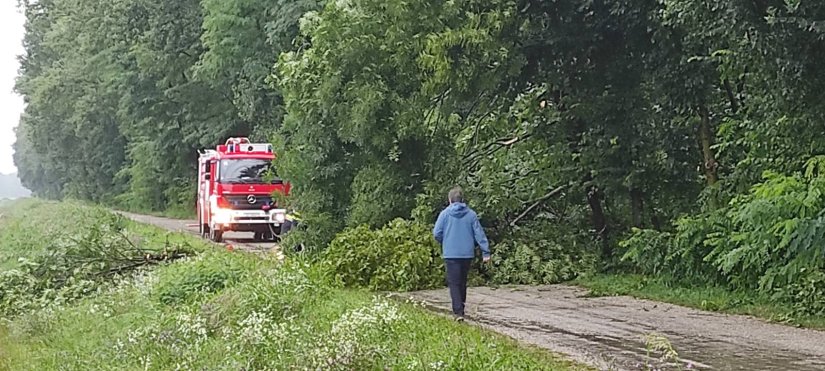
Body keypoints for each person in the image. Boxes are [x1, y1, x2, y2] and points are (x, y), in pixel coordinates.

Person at [433, 186, 491, 321]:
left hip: (451, 253)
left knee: (454, 282)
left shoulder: (445, 214)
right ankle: (461, 307)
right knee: (462, 282)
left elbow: (436, 233)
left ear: (449, 200)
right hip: (466, 254)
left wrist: (444, 240)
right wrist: (486, 252)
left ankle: (458, 312)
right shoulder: (471, 214)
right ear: (462, 199)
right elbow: (479, 234)